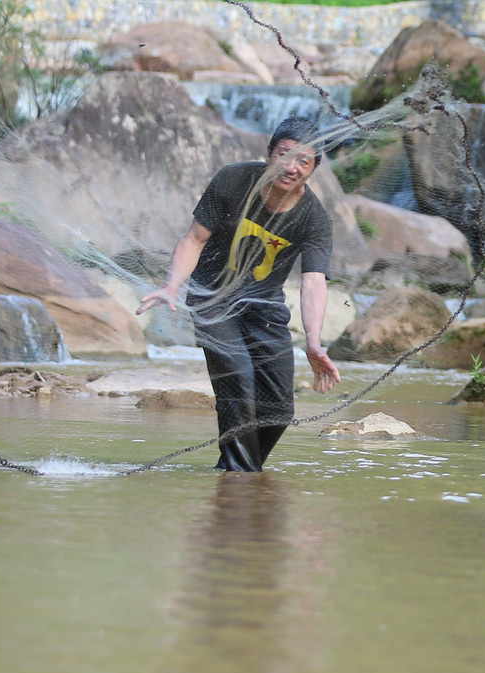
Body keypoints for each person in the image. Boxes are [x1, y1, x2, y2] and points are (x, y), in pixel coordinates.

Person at [139, 116, 342, 472]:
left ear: (314, 168)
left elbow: (313, 282)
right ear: (269, 153)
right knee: (238, 377)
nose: (291, 167)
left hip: (263, 308)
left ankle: (238, 473)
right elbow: (194, 239)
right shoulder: (234, 180)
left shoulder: (314, 219)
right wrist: (171, 285)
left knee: (279, 409)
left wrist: (313, 342)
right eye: (284, 155)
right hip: (212, 299)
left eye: (303, 161)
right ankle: (241, 481)